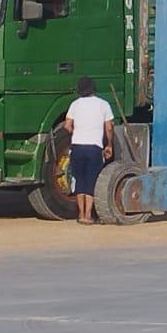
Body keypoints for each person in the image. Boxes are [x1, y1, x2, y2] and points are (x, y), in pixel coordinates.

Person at [63, 76, 114, 225]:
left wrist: (75, 133)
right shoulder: (103, 104)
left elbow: (67, 125)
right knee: (91, 180)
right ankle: (88, 215)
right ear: (93, 88)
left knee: (79, 180)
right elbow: (109, 127)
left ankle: (81, 214)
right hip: (94, 147)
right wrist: (109, 144)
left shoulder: (75, 104)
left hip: (78, 146)